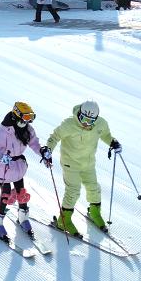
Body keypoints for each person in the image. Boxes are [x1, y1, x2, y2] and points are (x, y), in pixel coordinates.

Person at [44, 100, 121, 236]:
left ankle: (94, 212)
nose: (86, 123)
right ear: (79, 114)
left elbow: (105, 135)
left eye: (90, 121)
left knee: (94, 187)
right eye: (83, 118)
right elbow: (54, 137)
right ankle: (64, 220)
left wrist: (112, 142)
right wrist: (48, 150)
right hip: (70, 163)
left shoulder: (101, 124)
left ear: (95, 119)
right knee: (73, 190)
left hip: (88, 163)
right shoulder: (69, 124)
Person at [0, 101, 47, 239]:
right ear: (17, 115)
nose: (28, 121)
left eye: (30, 117)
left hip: (17, 166)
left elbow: (34, 143)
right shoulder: (4, 131)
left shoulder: (27, 129)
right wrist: (1, 157)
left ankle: (23, 218)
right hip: (3, 168)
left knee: (21, 192)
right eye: (25, 117)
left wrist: (42, 152)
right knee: (6, 193)